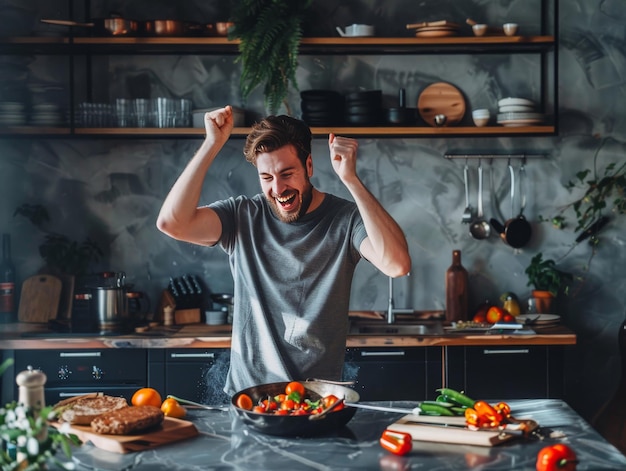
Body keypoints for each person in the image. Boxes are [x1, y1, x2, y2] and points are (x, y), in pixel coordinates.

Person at [157, 105, 411, 395]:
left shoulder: (345, 219)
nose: (278, 188)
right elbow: (171, 223)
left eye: (287, 173)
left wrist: (351, 179)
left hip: (316, 399)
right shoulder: (241, 215)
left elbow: (397, 264)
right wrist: (211, 143)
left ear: (309, 167)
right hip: (249, 399)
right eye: (267, 177)